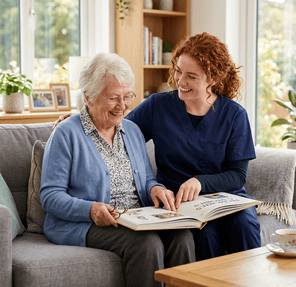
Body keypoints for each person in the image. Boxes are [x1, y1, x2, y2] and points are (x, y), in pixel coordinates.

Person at [53, 32, 261, 261]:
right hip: (179, 203)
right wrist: (79, 119)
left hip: (225, 199)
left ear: (212, 78)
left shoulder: (234, 114)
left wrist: (200, 182)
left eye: (191, 76)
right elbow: (116, 127)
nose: (180, 81)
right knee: (205, 236)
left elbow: (238, 175)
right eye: (178, 71)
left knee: (245, 225)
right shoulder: (158, 106)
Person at [40, 52, 195, 287]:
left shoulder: (132, 130)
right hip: (88, 223)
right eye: (113, 98)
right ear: (89, 97)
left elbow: (147, 180)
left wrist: (156, 189)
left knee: (182, 236)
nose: (122, 106)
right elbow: (50, 197)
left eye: (127, 96)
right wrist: (91, 209)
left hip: (136, 217)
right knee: (146, 244)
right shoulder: (66, 134)